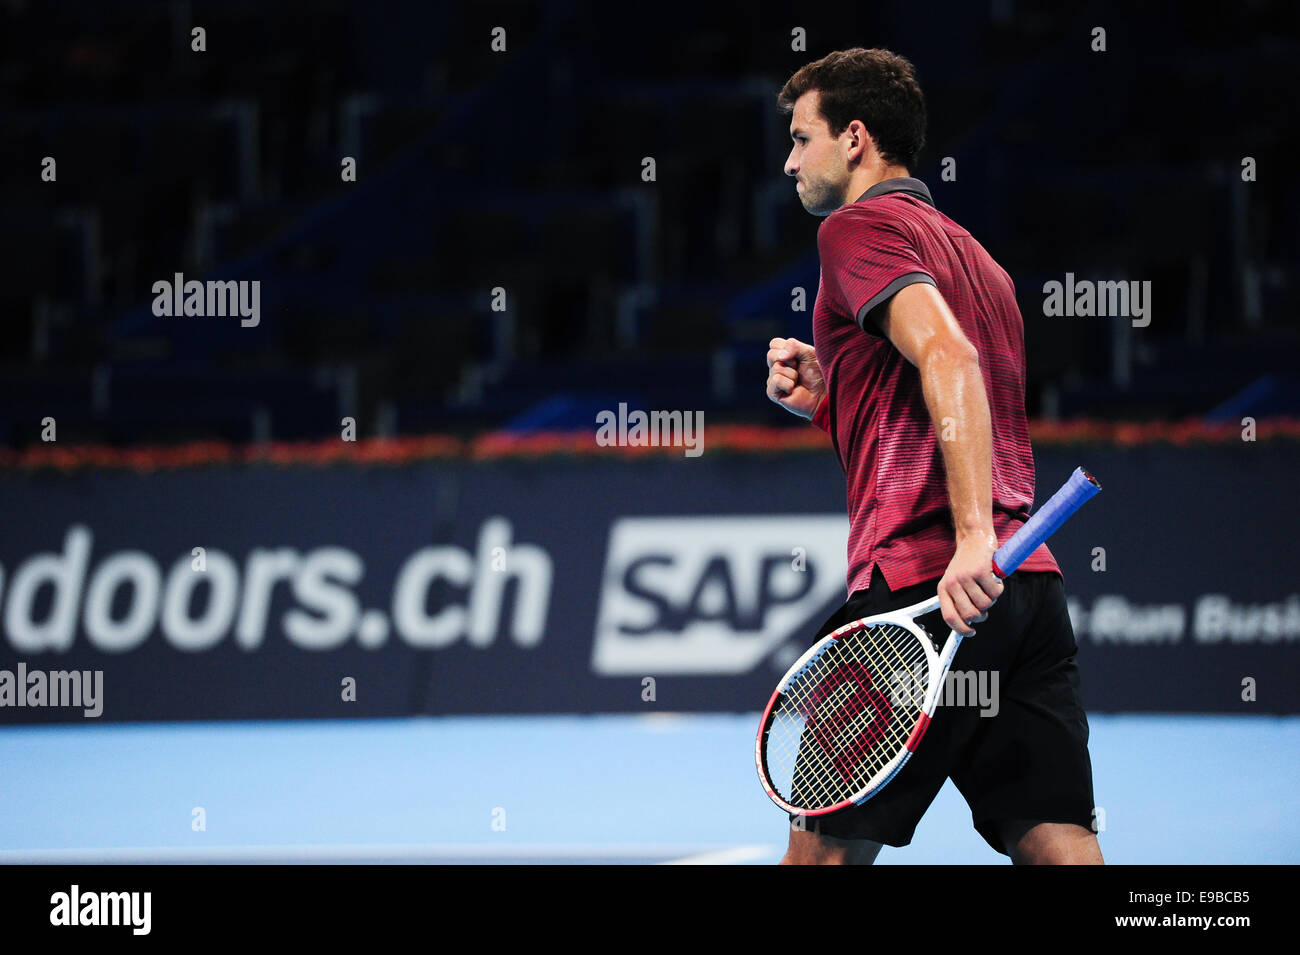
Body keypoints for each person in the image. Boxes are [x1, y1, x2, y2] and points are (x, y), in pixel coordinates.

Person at [765, 47, 1102, 865]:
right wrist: (833, 398)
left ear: (854, 138)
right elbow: (940, 401)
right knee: (1059, 842)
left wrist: (971, 534)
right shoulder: (982, 262)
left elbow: (950, 362)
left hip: (922, 585)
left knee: (821, 856)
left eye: (801, 138)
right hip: (1025, 592)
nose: (789, 160)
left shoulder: (856, 228)